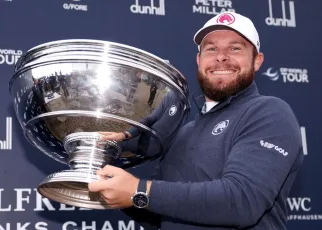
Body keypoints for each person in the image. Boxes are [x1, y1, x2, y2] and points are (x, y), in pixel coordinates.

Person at [88, 12, 304, 230]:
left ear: (257, 61)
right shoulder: (183, 132)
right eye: (211, 48)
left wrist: (138, 189)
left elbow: (242, 201)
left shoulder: (270, 113)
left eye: (235, 48)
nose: (221, 57)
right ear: (199, 60)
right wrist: (111, 186)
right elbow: (158, 217)